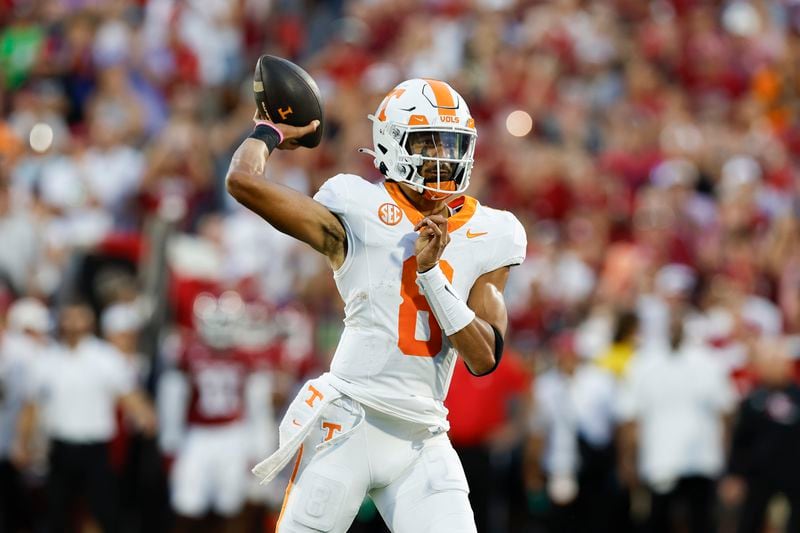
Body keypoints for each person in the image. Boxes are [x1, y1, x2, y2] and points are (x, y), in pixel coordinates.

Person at [226, 78, 526, 532]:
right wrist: (268, 131)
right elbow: (243, 181)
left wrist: (431, 278)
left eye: (451, 144)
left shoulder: (493, 231)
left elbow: (484, 358)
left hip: (423, 436)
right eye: (428, 143)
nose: (441, 158)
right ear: (391, 142)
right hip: (349, 420)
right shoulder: (356, 204)